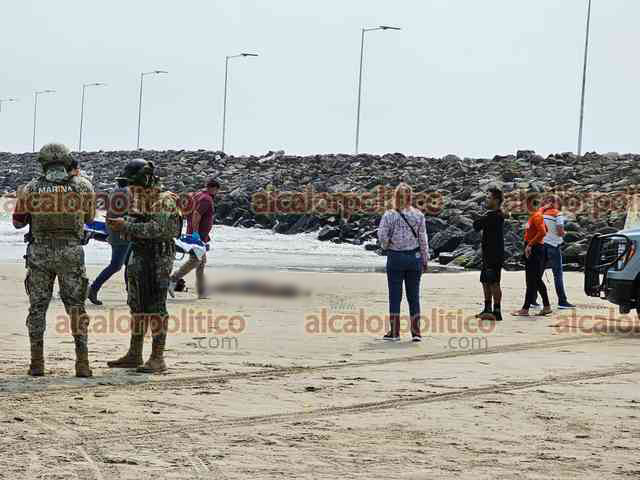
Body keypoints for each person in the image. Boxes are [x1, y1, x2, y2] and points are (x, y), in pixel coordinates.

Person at [12, 143, 96, 377]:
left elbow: (18, 222)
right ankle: (82, 364)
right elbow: (89, 218)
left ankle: (37, 363)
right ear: (68, 162)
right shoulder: (84, 186)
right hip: (71, 252)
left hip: (39, 254)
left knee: (37, 308)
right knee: (76, 308)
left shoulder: (31, 188)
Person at [106, 159, 182, 373]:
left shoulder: (165, 201)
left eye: (133, 184)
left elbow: (158, 229)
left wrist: (126, 225)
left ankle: (157, 358)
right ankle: (134, 353)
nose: (130, 189)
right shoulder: (141, 201)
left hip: (158, 258)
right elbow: (138, 225)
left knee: (156, 307)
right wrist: (123, 226)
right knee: (137, 304)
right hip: (139, 255)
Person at [378, 183, 429, 342]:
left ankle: (394, 332)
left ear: (396, 197)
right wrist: (425, 258)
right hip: (414, 258)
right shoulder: (418, 215)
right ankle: (416, 332)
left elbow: (382, 236)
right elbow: (423, 238)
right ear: (410, 197)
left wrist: (387, 245)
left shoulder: (389, 215)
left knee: (395, 297)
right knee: (413, 297)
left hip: (396, 257)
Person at [168, 178, 219, 299]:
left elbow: (185, 208)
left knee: (201, 262)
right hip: (197, 236)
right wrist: (196, 232)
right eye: (217, 191)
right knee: (196, 260)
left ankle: (201, 291)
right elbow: (196, 214)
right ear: (214, 189)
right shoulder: (206, 199)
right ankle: (172, 279)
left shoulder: (197, 194)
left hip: (199, 234)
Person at [87, 179, 132, 305]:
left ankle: (132, 295)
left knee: (129, 264)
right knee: (116, 265)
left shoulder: (116, 192)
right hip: (121, 235)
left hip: (117, 233)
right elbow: (128, 214)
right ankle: (93, 288)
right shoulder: (127, 193)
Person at [512, 197, 552, 317]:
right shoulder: (536, 215)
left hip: (535, 250)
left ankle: (529, 308)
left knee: (533, 280)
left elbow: (543, 232)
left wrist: (530, 244)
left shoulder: (537, 216)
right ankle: (542, 307)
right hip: (535, 248)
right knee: (534, 280)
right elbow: (546, 229)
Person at [473, 187, 505, 321]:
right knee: (485, 281)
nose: (486, 200)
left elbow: (477, 225)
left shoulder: (496, 215)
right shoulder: (492, 214)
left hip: (494, 254)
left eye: (489, 198)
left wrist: (479, 218)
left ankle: (497, 310)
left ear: (496, 200)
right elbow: (479, 224)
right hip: (488, 253)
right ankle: (487, 309)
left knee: (494, 282)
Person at [541, 195, 575, 309]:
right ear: (557, 203)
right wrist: (564, 233)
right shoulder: (558, 214)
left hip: (542, 245)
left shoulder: (542, 214)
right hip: (554, 246)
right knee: (557, 275)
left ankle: (532, 300)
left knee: (538, 274)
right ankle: (562, 301)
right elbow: (560, 231)